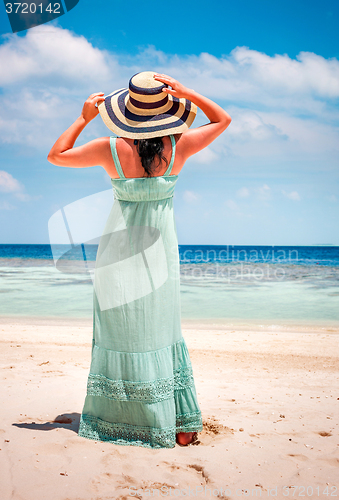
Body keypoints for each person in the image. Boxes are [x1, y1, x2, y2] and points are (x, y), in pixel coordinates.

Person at [47, 72, 231, 448]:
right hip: (162, 253)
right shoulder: (178, 147)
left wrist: (83, 117)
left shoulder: (109, 148)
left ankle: (121, 420)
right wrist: (190, 93)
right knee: (160, 331)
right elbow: (222, 120)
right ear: (165, 112)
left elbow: (56, 155)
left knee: (122, 332)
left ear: (125, 113)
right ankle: (175, 423)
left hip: (117, 254)